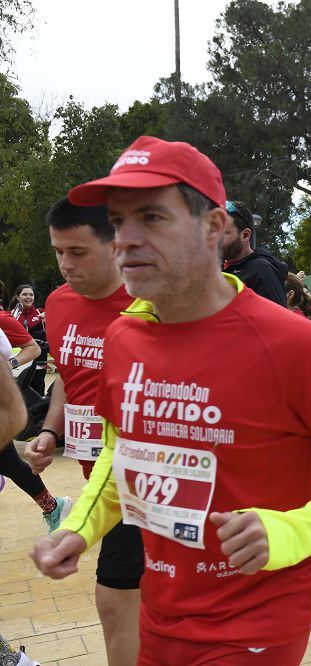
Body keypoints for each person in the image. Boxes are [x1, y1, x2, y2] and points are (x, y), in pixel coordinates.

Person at [31, 135, 311, 664]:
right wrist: (78, 527)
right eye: (118, 222)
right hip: (161, 612)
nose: (126, 241)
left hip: (255, 621)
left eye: (152, 219)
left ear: (212, 226)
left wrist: (292, 529)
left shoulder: (290, 342)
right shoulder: (123, 337)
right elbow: (121, 457)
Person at [21, 198, 143, 665]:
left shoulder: (146, 302)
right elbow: (67, 379)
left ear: (113, 247)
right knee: (115, 602)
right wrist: (52, 432)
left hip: (151, 477)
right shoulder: (58, 302)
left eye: (78, 252)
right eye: (58, 252)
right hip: (101, 480)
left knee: (132, 598)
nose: (65, 265)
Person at [0, 311, 71, 531]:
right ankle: (53, 507)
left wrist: (8, 364)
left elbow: (32, 348)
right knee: (8, 462)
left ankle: (53, 507)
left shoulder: (3, 318)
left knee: (8, 461)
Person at [222, 200, 289, 307]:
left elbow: (277, 320)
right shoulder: (215, 268)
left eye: (223, 233)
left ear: (245, 235)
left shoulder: (262, 270)